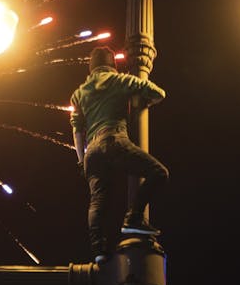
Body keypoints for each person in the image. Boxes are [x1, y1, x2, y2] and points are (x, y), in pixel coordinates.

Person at [70, 46, 169, 262]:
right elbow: (158, 92)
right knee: (158, 172)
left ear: (91, 68)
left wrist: (81, 161)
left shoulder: (79, 93)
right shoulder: (119, 81)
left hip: (91, 153)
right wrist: (147, 102)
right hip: (114, 138)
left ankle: (98, 252)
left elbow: (77, 130)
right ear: (113, 65)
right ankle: (134, 218)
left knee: (97, 202)